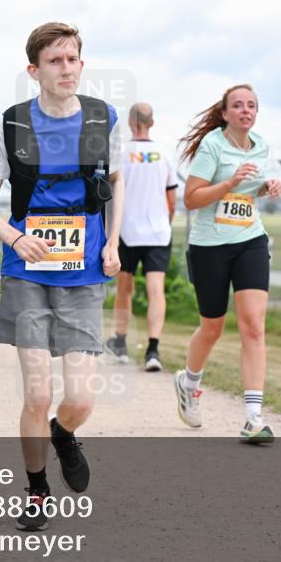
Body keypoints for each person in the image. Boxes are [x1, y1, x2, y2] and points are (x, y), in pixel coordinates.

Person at [0, 22, 125, 532]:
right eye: (55, 61)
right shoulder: (10, 125)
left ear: (82, 64)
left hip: (83, 272)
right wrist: (15, 238)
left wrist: (113, 241)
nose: (66, 68)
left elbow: (117, 182)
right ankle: (37, 489)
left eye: (72, 59)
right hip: (27, 271)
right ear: (34, 70)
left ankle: (63, 433)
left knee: (79, 399)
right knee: (37, 394)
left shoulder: (103, 119)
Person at [172, 84, 281, 443]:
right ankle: (189, 383)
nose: (246, 111)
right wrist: (230, 181)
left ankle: (253, 417)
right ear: (225, 113)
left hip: (250, 239)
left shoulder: (260, 145)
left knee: (253, 325)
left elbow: (248, 191)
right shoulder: (213, 146)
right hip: (210, 246)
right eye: (238, 105)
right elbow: (192, 198)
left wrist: (266, 188)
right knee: (212, 328)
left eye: (251, 105)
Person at [105, 102, 178, 372]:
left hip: (126, 230)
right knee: (156, 290)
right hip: (158, 232)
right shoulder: (165, 154)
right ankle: (153, 350)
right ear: (152, 122)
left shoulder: (121, 153)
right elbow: (172, 200)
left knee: (124, 288)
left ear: (130, 122)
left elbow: (111, 194)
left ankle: (121, 343)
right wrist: (165, 222)